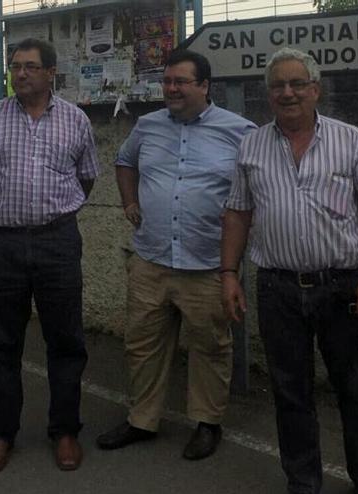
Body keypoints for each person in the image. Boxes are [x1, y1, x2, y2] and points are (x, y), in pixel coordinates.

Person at [220, 47, 358, 494]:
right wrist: (228, 274)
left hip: (341, 288)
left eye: (297, 83)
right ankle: (303, 483)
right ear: (268, 95)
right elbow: (238, 213)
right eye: (278, 85)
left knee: (354, 391)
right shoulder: (251, 145)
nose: (287, 92)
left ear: (315, 90)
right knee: (290, 394)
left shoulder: (351, 140)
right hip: (277, 289)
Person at [96, 50, 257, 460]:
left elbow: (259, 190)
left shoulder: (240, 131)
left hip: (207, 265)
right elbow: (124, 162)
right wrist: (129, 201)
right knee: (143, 345)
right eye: (167, 81)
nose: (171, 89)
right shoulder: (148, 126)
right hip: (151, 259)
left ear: (204, 86)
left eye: (181, 82)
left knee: (210, 347)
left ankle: (207, 424)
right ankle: (142, 420)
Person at [0, 38, 99, 474]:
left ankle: (65, 432)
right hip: (2, 244)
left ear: (51, 72)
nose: (21, 74)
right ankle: (0, 434)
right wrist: (6, 209)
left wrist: (49, 213)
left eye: (31, 67)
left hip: (57, 242)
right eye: (15, 66)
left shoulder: (76, 120)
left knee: (65, 342)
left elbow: (87, 178)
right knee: (2, 344)